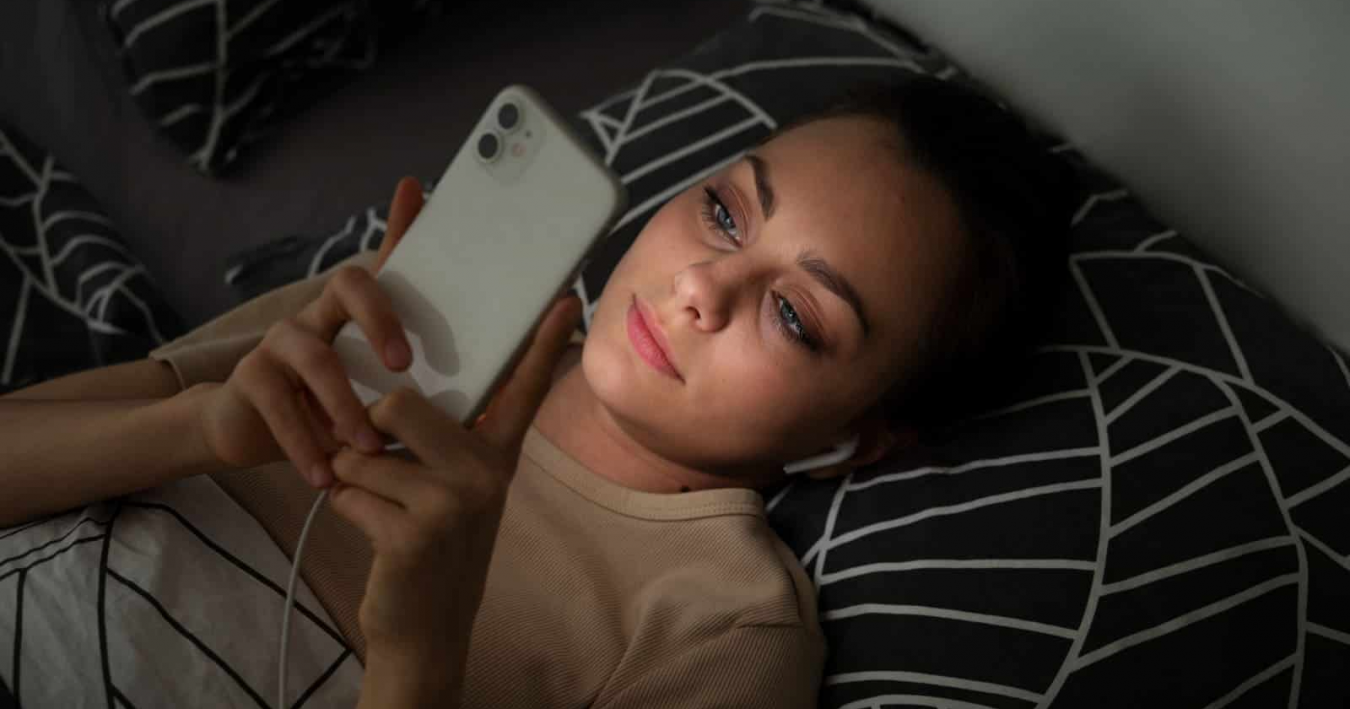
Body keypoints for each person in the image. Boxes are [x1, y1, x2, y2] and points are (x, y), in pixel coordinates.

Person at [0, 74, 1074, 707]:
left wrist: (422, 645)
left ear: (857, 437)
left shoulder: (726, 632)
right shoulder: (399, 312)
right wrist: (201, 425)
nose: (701, 287)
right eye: (726, 212)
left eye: (795, 316)